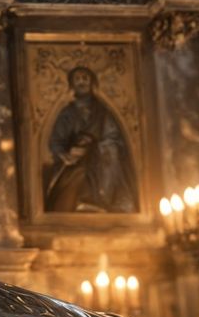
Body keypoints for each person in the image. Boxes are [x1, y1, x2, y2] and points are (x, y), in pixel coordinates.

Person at [43, 65, 137, 213]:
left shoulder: (103, 111)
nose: (82, 82)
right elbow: (56, 142)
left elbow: (112, 135)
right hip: (76, 162)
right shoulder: (67, 113)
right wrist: (66, 155)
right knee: (76, 177)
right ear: (72, 84)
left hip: (101, 157)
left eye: (85, 78)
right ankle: (83, 201)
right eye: (77, 79)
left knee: (109, 153)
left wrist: (94, 146)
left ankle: (105, 201)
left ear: (92, 82)